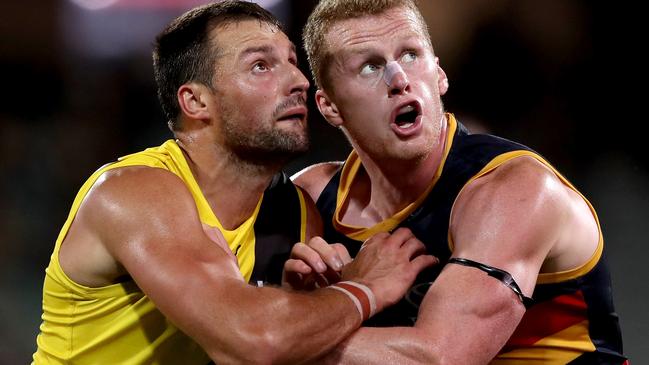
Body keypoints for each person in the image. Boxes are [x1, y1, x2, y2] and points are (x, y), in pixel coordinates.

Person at [31, 2, 437, 364]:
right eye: (261, 65)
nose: (298, 80)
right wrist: (364, 290)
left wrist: (299, 301)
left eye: (292, 61)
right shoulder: (132, 193)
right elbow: (253, 342)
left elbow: (288, 341)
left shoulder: (294, 212)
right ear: (196, 102)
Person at [291, 0, 628, 363]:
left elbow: (440, 358)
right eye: (370, 67)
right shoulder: (310, 197)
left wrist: (321, 314)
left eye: (409, 55)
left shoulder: (515, 189)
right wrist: (299, 298)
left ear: (439, 75)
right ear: (329, 107)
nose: (399, 80)